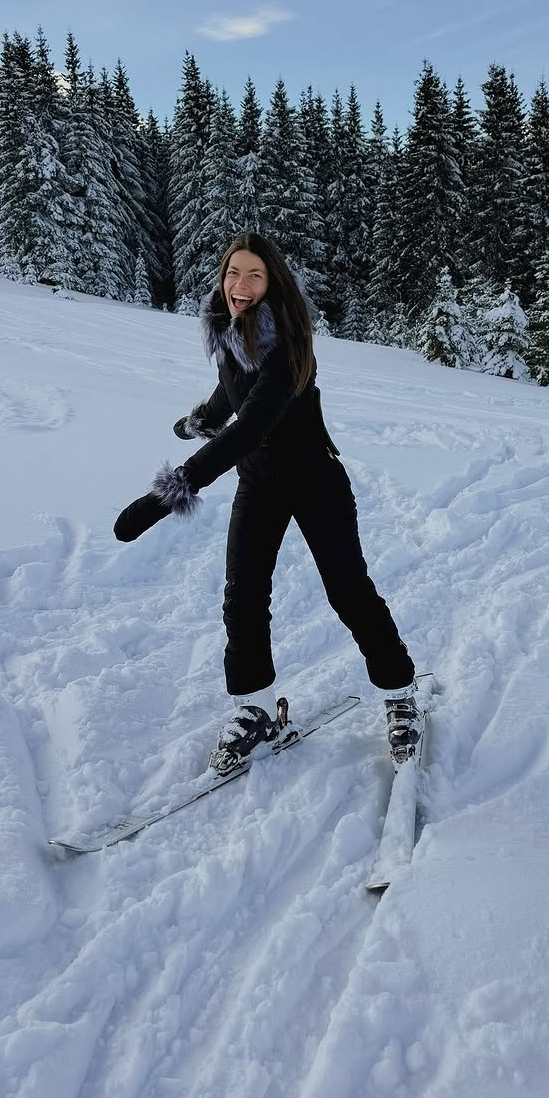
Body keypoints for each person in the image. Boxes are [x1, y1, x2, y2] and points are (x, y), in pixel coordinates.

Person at [114, 233, 421, 775]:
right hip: (260, 484)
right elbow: (230, 393)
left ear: (272, 281)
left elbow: (251, 426)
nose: (241, 285)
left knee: (349, 591)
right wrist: (198, 421)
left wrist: (167, 495)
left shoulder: (289, 348)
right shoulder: (231, 329)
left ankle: (399, 692)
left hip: (314, 481)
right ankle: (253, 708)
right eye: (233, 273)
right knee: (244, 595)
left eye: (254, 275)